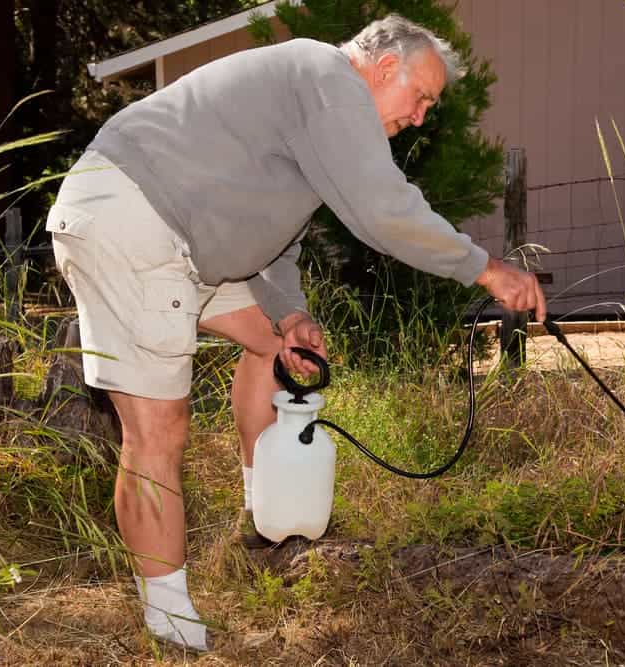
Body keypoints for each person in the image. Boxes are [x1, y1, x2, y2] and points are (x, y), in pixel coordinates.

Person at [46, 14, 547, 652]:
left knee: (274, 348)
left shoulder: (312, 98)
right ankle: (169, 623)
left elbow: (274, 236)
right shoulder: (326, 78)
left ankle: (264, 522)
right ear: (386, 68)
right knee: (157, 429)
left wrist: (287, 314)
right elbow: (382, 210)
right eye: (422, 98)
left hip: (182, 232)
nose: (422, 117)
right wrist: (486, 270)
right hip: (132, 215)